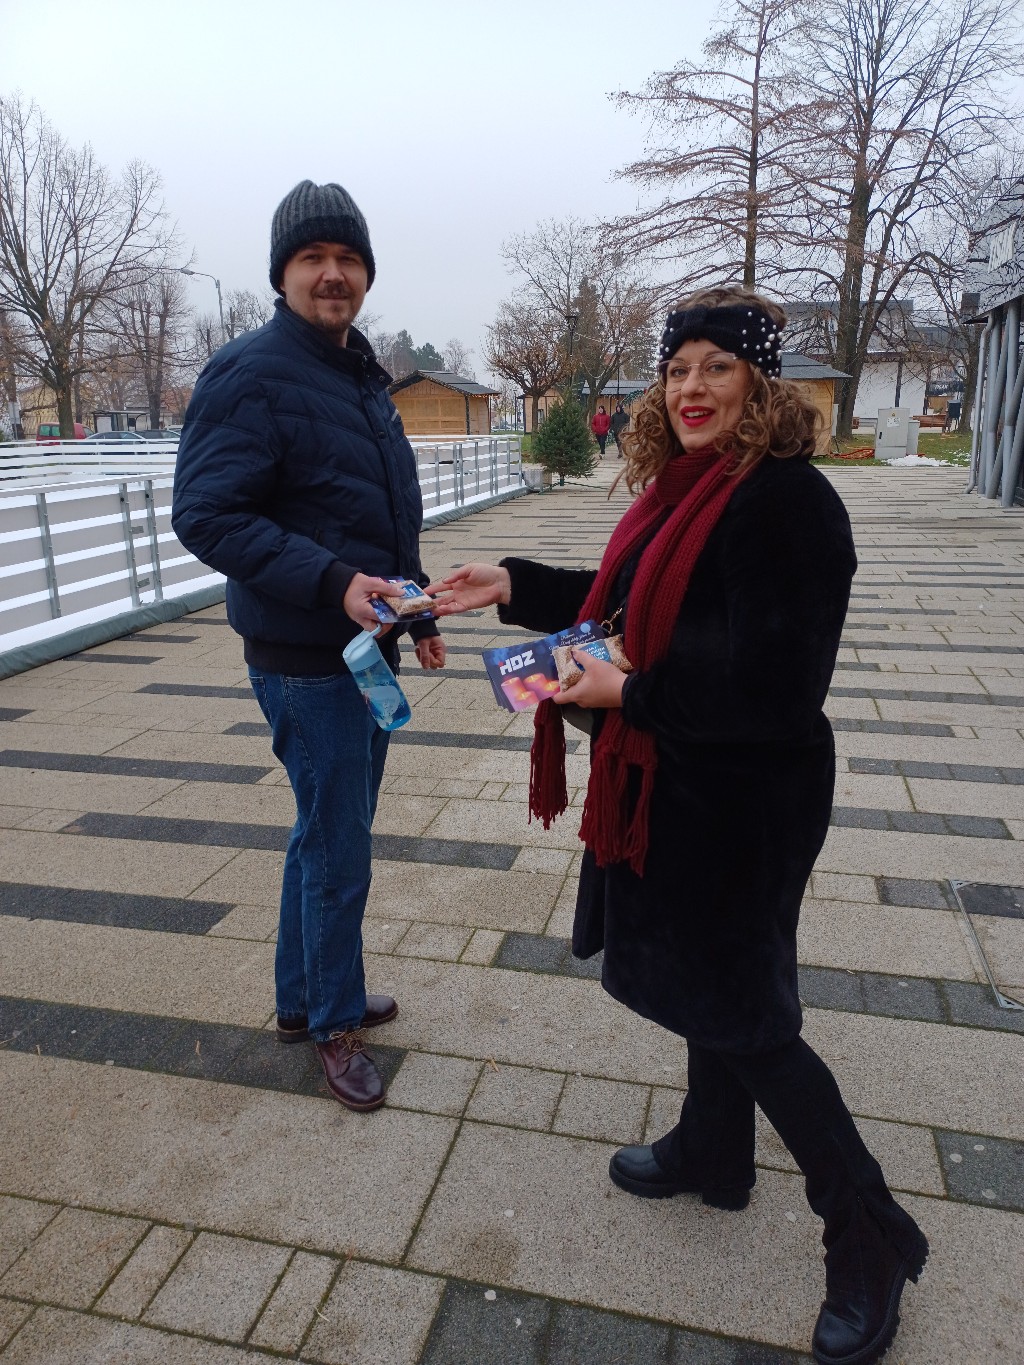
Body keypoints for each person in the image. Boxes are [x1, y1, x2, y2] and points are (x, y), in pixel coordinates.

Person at [428, 287, 928, 1365]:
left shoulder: (788, 504)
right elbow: (632, 604)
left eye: (716, 366)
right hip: (681, 785)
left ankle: (869, 1231)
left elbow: (773, 691)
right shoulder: (689, 488)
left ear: (760, 383)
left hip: (745, 803)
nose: (691, 389)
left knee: (748, 1016)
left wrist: (630, 694)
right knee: (710, 992)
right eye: (677, 369)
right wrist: (513, 583)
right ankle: (713, 1150)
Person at [172, 180, 445, 1113]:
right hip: (305, 656)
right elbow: (206, 514)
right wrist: (333, 582)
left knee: (323, 832)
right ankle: (334, 1023)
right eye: (313, 258)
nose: (334, 274)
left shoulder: (357, 372)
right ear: (282, 274)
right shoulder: (251, 373)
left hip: (366, 646)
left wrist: (417, 612)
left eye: (348, 259)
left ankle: (302, 997)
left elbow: (380, 514)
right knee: (338, 848)